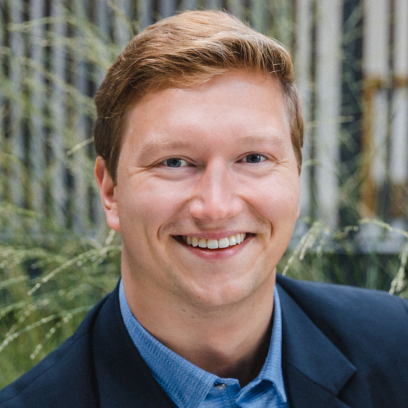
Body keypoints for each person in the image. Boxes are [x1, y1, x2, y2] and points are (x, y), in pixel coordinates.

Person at [1, 9, 408, 408]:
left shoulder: (396, 344)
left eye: (253, 158)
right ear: (110, 191)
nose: (216, 207)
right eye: (174, 162)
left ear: (296, 179)